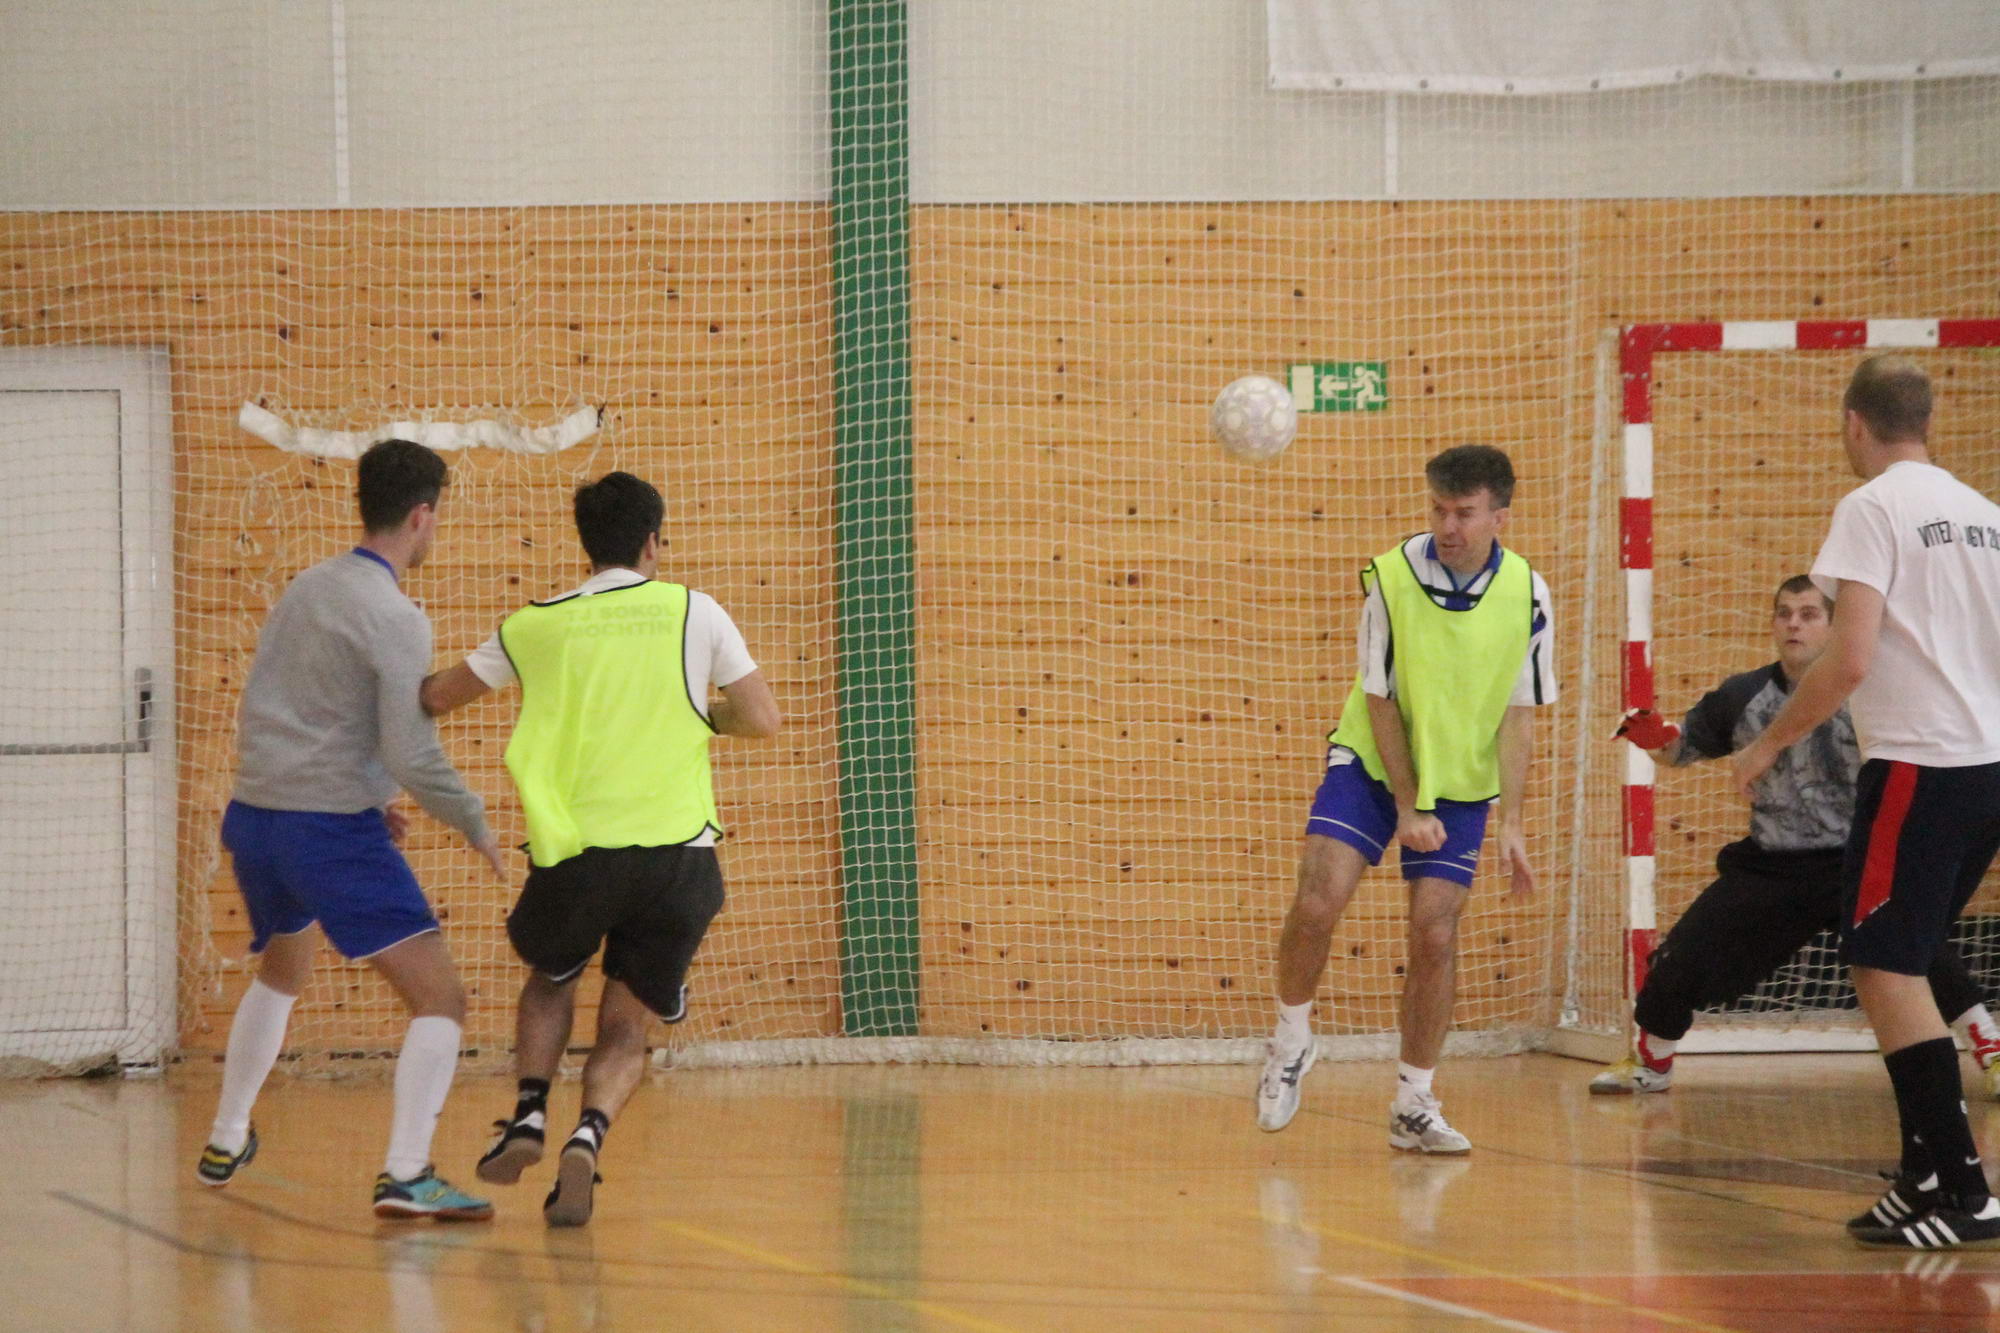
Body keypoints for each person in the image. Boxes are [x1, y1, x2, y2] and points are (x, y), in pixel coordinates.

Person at [420, 470, 780, 1226]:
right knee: (626, 1021)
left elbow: (439, 696)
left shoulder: (536, 624)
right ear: (652, 541)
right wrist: (698, 717)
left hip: (577, 853)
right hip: (679, 858)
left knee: (552, 981)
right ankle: (588, 1132)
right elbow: (760, 718)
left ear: (586, 544)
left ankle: (529, 1112)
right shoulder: (696, 611)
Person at [195, 438, 505, 1221]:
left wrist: (359, 787)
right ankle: (407, 1173)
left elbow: (293, 706)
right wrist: (472, 820)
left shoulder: (307, 586)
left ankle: (226, 1135)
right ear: (422, 514)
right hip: (325, 831)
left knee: (282, 971)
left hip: (255, 818)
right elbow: (411, 750)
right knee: (441, 996)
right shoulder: (395, 615)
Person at [1732, 356, 2000, 1250]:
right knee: (1903, 961)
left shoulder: (1873, 507)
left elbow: (1847, 657)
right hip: (1986, 767)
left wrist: (1769, 742)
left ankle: (1966, 1189)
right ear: (1928, 419)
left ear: (1854, 423)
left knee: (1884, 966)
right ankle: (1921, 1173)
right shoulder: (1984, 515)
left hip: (1921, 765)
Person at [1592, 576, 2000, 1095]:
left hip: (1858, 857)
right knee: (1680, 959)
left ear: (1835, 625)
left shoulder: (1873, 690)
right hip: (1773, 865)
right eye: (1784, 613)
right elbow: (1681, 750)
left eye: (1808, 614)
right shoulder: (1743, 695)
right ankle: (1652, 1062)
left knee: (1915, 951)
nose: (1793, 624)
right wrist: (1655, 737)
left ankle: (1990, 1049)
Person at [1256, 444, 1554, 1152]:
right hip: (1371, 759)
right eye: (1439, 509)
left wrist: (1512, 820)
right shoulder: (1392, 577)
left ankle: (1414, 1101)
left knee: (1435, 932)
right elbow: (1380, 699)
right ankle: (1291, 1038)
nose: (1448, 525)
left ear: (1500, 516)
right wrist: (1408, 804)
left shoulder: (1528, 594)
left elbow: (1519, 715)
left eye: (1465, 512)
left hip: (1461, 780)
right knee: (1319, 897)